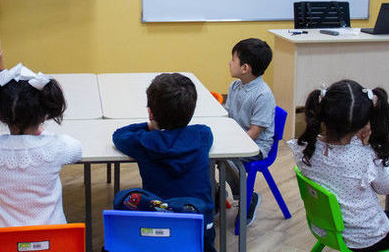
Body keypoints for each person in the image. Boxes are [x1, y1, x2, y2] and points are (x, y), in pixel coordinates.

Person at [288, 80, 389, 251]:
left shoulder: (305, 148)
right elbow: (387, 187)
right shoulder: (365, 155)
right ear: (363, 124)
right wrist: (375, 149)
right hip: (364, 236)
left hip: (326, 228)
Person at [0, 64, 82, 228]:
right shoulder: (56, 147)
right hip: (52, 242)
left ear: (2, 116)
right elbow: (77, 149)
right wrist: (44, 135)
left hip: (2, 244)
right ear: (43, 114)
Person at [112, 73, 216, 252]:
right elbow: (202, 131)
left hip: (158, 232)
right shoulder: (202, 135)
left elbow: (119, 135)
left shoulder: (144, 142)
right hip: (199, 231)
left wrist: (149, 125)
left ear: (150, 112)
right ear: (190, 112)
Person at [223, 38, 275, 225]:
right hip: (238, 139)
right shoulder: (235, 86)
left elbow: (255, 131)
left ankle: (247, 197)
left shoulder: (262, 94)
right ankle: (214, 195)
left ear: (245, 68)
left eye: (233, 60)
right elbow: (228, 117)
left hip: (255, 146)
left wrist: (231, 147)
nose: (229, 63)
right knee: (204, 152)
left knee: (223, 158)